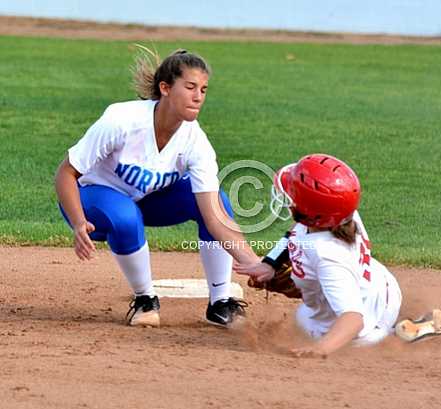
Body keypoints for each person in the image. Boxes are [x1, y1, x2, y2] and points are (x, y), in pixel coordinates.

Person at [55, 48, 259, 329]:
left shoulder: (195, 141)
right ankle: (145, 299)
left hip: (146, 200)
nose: (198, 96)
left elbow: (214, 216)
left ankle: (220, 303)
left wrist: (257, 264)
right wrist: (78, 222)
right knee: (124, 215)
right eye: (190, 87)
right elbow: (65, 173)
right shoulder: (122, 121)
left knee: (219, 201)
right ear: (165, 88)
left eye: (203, 89)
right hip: (89, 200)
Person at [234, 154, 402, 357]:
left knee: (304, 321)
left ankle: (393, 335)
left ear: (309, 211)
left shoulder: (327, 255)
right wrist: (271, 263)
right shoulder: (341, 214)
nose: (288, 197)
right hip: (383, 289)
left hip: (363, 331)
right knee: (308, 302)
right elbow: (296, 233)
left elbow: (353, 319)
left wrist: (319, 348)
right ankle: (397, 326)